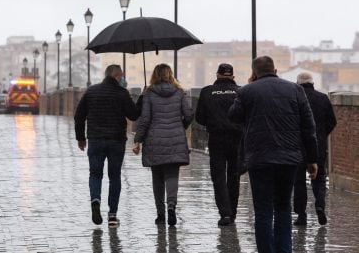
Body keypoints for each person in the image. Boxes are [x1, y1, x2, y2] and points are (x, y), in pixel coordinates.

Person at [228, 56, 318, 253]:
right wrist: (312, 159)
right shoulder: (296, 90)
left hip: (259, 158)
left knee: (263, 210)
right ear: (275, 70)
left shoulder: (247, 91)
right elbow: (308, 127)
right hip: (289, 158)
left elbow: (233, 116)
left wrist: (248, 89)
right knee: (283, 207)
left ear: (254, 72)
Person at [74, 64, 142, 227]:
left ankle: (95, 201)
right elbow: (133, 115)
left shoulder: (91, 91)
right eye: (122, 76)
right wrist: (142, 99)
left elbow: (79, 116)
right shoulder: (122, 93)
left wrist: (80, 138)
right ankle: (112, 216)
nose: (123, 79)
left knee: (95, 174)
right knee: (115, 176)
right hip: (116, 141)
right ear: (117, 76)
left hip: (96, 139)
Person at [132, 64, 193, 226]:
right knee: (172, 175)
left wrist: (137, 140)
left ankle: (160, 214)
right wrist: (181, 127)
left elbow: (144, 120)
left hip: (154, 140)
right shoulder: (179, 92)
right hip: (175, 139)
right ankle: (171, 207)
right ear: (170, 74)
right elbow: (188, 115)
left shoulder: (149, 94)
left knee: (157, 178)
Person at [195, 63, 242, 226]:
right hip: (237, 138)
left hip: (216, 138)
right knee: (234, 176)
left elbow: (199, 117)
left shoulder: (207, 91)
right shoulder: (240, 91)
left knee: (219, 176)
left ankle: (225, 214)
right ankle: (233, 211)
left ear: (217, 75)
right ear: (233, 76)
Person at [293, 72, 337, 226]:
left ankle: (302, 215)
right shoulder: (323, 98)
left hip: (297, 145)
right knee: (319, 178)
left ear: (298, 83)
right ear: (312, 83)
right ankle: (319, 205)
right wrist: (322, 135)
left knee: (298, 181)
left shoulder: (294, 98)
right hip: (318, 144)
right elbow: (332, 121)